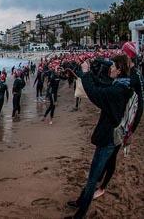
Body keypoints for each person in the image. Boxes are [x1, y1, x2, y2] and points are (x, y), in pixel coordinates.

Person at [66, 55, 133, 218]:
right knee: (95, 174)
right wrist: (86, 75)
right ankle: (81, 201)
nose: (110, 68)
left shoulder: (117, 90)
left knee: (93, 178)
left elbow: (96, 94)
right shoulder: (122, 84)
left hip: (108, 138)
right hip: (113, 135)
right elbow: (102, 85)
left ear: (119, 70)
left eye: (113, 66)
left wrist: (87, 72)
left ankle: (80, 214)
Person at [92, 42, 143, 200]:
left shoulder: (134, 76)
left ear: (128, 56)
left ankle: (102, 187)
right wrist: (100, 59)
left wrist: (131, 130)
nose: (120, 53)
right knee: (111, 152)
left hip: (125, 122)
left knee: (112, 154)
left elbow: (140, 105)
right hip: (121, 118)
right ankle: (99, 179)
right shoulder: (132, 71)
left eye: (123, 52)